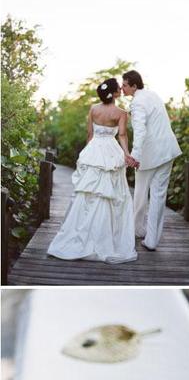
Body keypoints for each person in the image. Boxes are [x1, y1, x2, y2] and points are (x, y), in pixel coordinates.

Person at [47, 78, 137, 263]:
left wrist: (88, 154)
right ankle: (105, 238)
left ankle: (80, 236)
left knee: (87, 194)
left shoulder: (94, 109)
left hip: (94, 149)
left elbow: (90, 134)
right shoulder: (120, 113)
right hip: (110, 151)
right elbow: (122, 134)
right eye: (119, 88)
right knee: (110, 195)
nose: (121, 89)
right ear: (115, 93)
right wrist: (126, 154)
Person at [122, 70, 181, 251]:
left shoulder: (137, 103)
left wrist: (134, 156)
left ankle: (137, 230)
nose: (122, 88)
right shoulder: (153, 95)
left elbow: (140, 132)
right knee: (158, 196)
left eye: (125, 85)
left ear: (134, 86)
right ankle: (152, 240)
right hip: (167, 150)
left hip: (149, 155)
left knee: (140, 193)